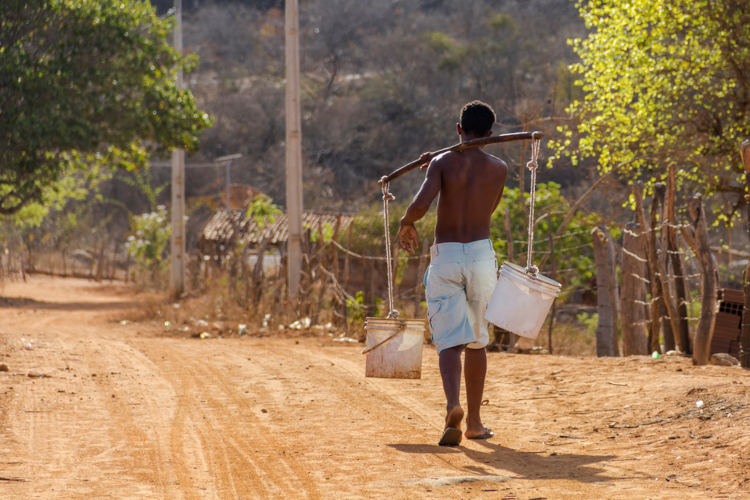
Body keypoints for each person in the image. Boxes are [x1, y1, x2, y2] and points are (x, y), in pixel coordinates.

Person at [397, 100, 507, 446]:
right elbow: (489, 208)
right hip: (480, 255)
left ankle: (452, 406)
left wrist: (406, 223)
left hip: (446, 255)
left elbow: (419, 205)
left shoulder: (443, 163)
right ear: (489, 135)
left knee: (448, 339)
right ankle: (474, 422)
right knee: (477, 338)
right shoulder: (499, 168)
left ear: (459, 129)